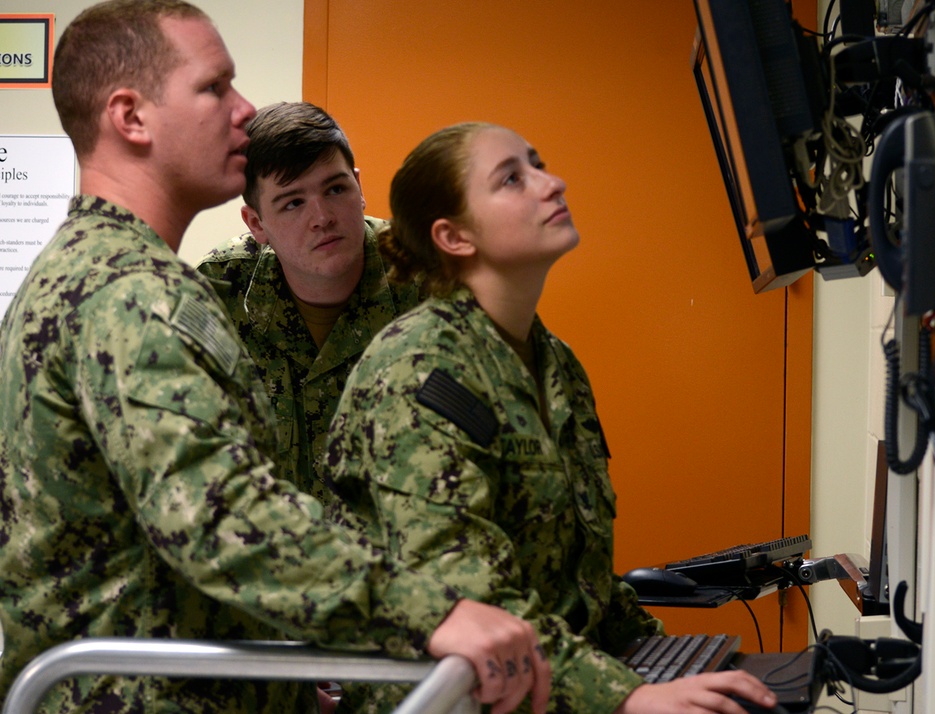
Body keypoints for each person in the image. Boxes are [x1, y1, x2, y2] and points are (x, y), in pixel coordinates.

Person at [0, 4, 549, 713]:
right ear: (131, 117)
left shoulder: (89, 268)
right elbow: (218, 515)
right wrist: (434, 612)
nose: (244, 109)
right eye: (215, 88)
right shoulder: (130, 295)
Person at [324, 122, 779, 713]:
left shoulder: (555, 363)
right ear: (455, 236)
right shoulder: (421, 372)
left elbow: (580, 584)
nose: (553, 183)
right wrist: (627, 698)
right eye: (513, 178)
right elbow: (468, 600)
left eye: (537, 164)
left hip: (551, 685)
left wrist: (668, 666)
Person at [196, 101, 419, 498]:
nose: (322, 217)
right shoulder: (221, 291)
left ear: (359, 188)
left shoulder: (424, 279)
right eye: (293, 202)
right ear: (256, 223)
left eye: (335, 189)